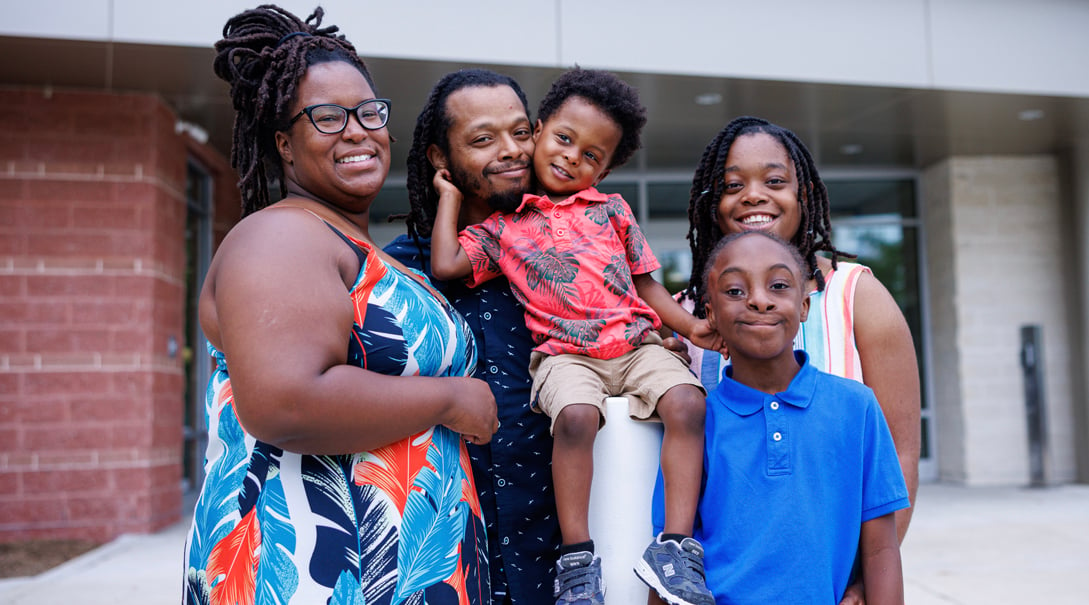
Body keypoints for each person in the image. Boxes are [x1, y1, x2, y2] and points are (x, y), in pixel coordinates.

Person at [183, 7, 497, 605]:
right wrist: (453, 397)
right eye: (326, 117)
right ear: (284, 144)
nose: (357, 131)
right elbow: (286, 402)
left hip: (400, 570)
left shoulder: (345, 243)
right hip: (317, 577)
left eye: (369, 112)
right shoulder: (280, 237)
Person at [429, 67, 717, 605]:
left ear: (607, 167)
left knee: (688, 404)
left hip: (634, 344)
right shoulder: (505, 226)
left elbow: (648, 287)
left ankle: (676, 548)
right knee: (577, 418)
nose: (571, 158)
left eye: (592, 156)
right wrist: (447, 195)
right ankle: (577, 557)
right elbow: (446, 264)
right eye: (563, 139)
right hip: (565, 356)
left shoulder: (612, 210)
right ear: (538, 132)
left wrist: (692, 328)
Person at [651, 115, 921, 605]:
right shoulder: (687, 314)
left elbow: (898, 455)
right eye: (733, 185)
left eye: (775, 181)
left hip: (832, 576)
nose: (754, 196)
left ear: (806, 192)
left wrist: (861, 579)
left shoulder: (856, 296)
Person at [385, 68, 560, 605]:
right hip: (443, 563)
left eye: (521, 132)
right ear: (441, 158)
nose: (512, 151)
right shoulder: (398, 274)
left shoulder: (573, 257)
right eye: (484, 139)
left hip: (561, 562)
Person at [697, 230, 909, 604]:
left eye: (778, 286)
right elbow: (672, 554)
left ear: (805, 306)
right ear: (710, 311)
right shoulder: (695, 421)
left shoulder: (856, 408)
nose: (759, 301)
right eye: (735, 291)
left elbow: (881, 551)